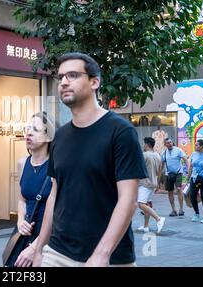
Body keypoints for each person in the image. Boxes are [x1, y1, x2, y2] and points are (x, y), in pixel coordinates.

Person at [32, 52, 147, 267]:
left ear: (95, 82)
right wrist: (39, 248)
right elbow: (54, 194)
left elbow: (129, 199)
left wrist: (101, 255)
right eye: (61, 77)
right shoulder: (60, 137)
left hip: (109, 257)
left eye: (73, 75)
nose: (64, 82)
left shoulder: (121, 132)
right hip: (57, 253)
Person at [5, 112, 55, 267]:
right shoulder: (22, 163)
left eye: (35, 129)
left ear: (48, 137)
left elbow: (59, 209)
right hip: (26, 231)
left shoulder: (57, 166)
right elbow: (22, 199)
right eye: (27, 128)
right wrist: (20, 221)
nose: (29, 132)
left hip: (50, 234)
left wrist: (36, 247)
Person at [137, 137, 166, 234]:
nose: (143, 145)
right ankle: (146, 226)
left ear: (147, 144)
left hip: (145, 183)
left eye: (144, 143)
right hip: (153, 182)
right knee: (146, 204)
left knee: (141, 204)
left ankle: (158, 219)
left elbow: (138, 169)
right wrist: (157, 183)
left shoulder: (144, 155)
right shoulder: (157, 155)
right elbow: (159, 171)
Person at [161, 138, 189, 217]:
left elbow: (186, 160)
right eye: (167, 143)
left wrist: (189, 171)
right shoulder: (164, 153)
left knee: (179, 189)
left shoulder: (178, 150)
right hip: (168, 174)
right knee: (170, 192)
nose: (169, 144)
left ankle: (181, 209)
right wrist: (158, 175)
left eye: (170, 142)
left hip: (178, 173)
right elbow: (161, 165)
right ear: (165, 145)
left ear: (172, 142)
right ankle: (173, 210)